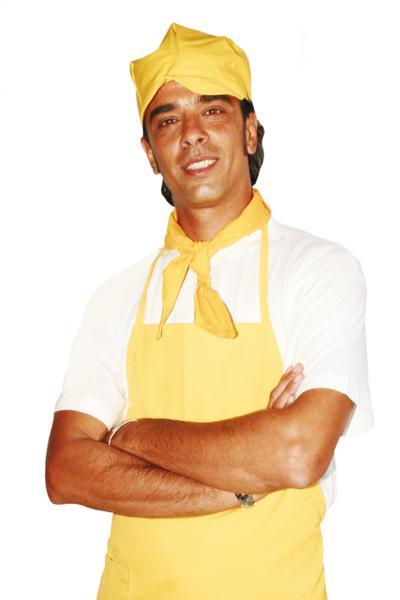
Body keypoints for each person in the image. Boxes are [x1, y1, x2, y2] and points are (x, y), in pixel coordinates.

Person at [45, 22, 374, 599]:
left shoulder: (318, 270)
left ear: (249, 130)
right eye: (168, 121)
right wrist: (244, 486)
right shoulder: (118, 294)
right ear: (150, 154)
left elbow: (298, 452)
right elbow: (66, 472)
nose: (192, 134)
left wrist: (134, 434)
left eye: (213, 111)